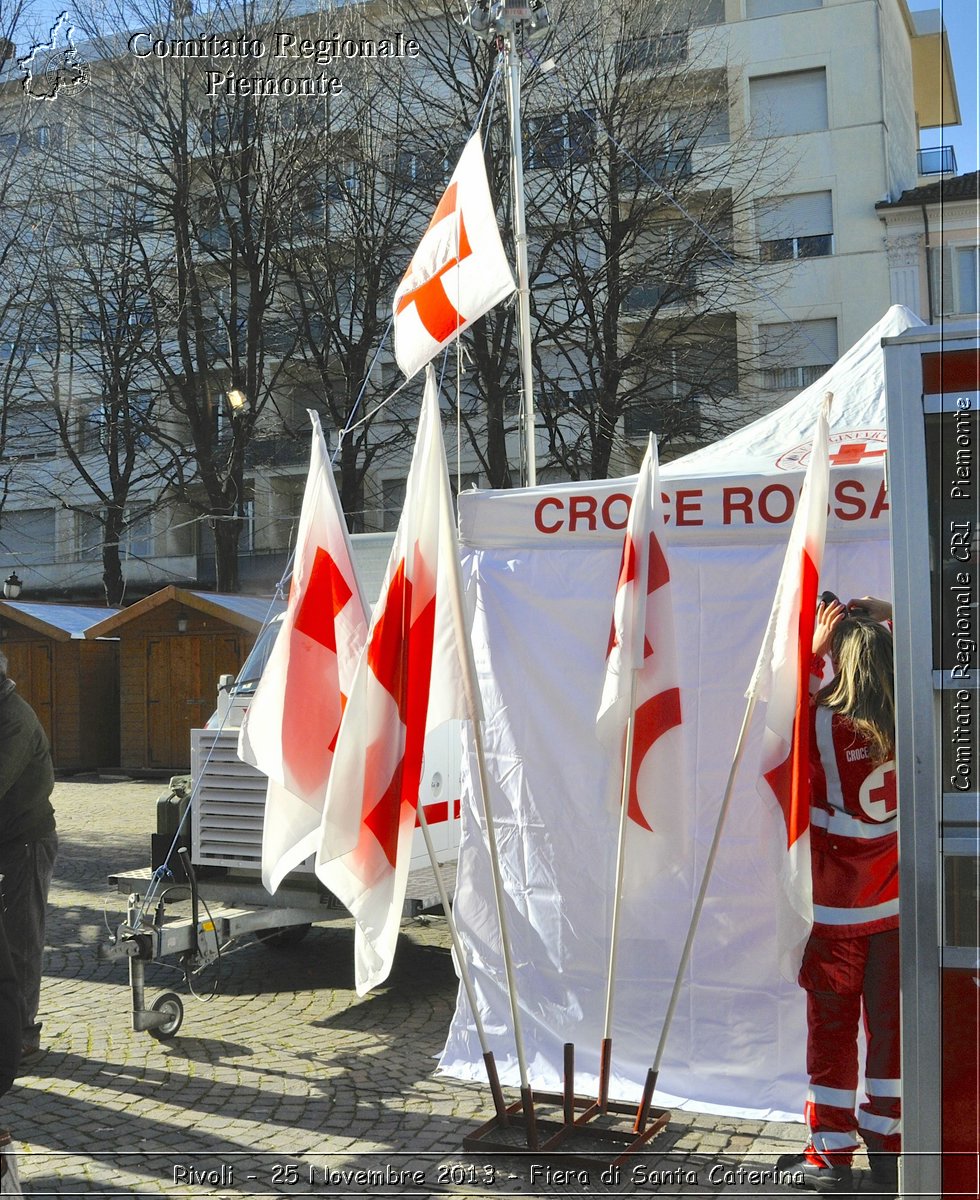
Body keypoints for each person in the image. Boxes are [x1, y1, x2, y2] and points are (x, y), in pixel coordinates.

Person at [778, 595, 900, 1196]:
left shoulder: (827, 719)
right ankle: (891, 1143)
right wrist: (886, 612)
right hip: (897, 906)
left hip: (836, 912)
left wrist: (813, 652)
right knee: (891, 1030)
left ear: (841, 662)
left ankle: (830, 1154)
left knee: (831, 1032)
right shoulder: (917, 713)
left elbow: (782, 724)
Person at [0, 651, 58, 1061]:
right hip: (7, 839)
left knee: (22, 937)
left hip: (27, 842)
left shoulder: (14, 719)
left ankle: (23, 1034)